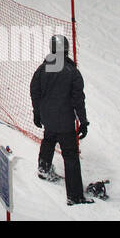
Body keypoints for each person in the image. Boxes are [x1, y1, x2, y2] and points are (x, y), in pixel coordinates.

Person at [31, 34, 91, 205]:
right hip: (65, 122)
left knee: (49, 139)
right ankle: (75, 196)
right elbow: (78, 99)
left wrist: (37, 112)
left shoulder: (42, 69)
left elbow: (34, 90)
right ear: (65, 50)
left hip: (48, 118)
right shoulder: (72, 72)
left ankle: (44, 168)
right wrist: (84, 121)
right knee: (70, 155)